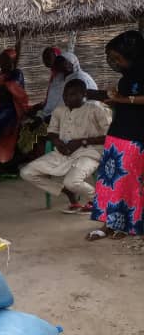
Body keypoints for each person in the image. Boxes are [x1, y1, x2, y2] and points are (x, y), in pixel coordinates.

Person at [19, 81, 110, 213]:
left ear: (84, 94)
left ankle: (98, 200)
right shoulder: (59, 110)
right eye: (65, 94)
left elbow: (110, 136)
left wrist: (82, 141)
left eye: (72, 94)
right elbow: (52, 131)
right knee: (27, 172)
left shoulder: (96, 109)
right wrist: (57, 142)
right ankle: (67, 192)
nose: (67, 98)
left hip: (89, 153)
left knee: (72, 182)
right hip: (63, 153)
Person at [88, 30, 144, 240]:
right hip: (118, 132)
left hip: (136, 136)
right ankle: (107, 224)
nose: (115, 62)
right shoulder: (128, 76)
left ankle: (127, 225)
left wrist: (122, 100)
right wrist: (114, 98)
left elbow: (133, 99)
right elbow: (125, 97)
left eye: (117, 58)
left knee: (128, 182)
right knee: (109, 181)